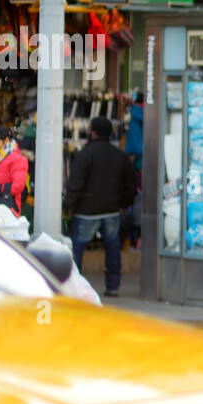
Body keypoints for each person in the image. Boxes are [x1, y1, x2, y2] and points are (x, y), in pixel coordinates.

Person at [65, 117, 138, 298]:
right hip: (112, 210)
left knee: (77, 250)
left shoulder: (84, 155)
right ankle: (113, 286)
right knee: (112, 248)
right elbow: (131, 184)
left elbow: (75, 184)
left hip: (86, 211)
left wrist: (68, 205)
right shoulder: (120, 156)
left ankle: (74, 286)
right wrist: (123, 204)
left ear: (93, 132)